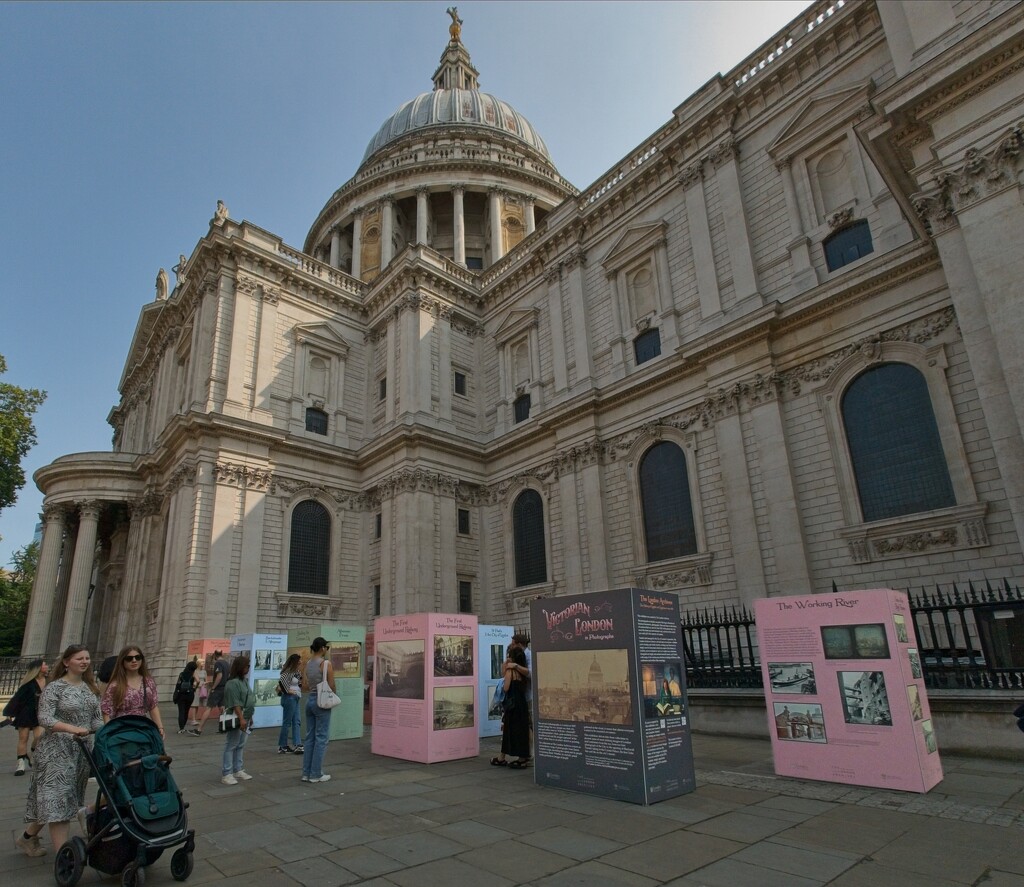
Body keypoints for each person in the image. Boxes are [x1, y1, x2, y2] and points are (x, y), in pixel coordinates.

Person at [16, 645, 103, 859]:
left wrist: (108, 730)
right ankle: (65, 858)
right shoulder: (55, 688)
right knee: (57, 800)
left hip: (80, 752)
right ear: (66, 662)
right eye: (79, 658)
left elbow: (97, 720)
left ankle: (27, 839)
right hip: (55, 751)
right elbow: (45, 718)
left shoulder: (90, 689)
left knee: (59, 800)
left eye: (87, 658)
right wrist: (72, 729)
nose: (84, 661)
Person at [100, 645, 165, 738]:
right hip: (121, 729)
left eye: (138, 657)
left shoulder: (148, 681)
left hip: (143, 727)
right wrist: (110, 732)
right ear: (122, 661)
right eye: (129, 658)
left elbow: (153, 706)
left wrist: (160, 727)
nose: (134, 661)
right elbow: (106, 711)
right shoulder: (115, 685)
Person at [3, 658, 48, 775]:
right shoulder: (29, 684)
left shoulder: (49, 681)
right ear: (39, 668)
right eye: (45, 665)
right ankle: (20, 764)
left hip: (40, 713)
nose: (47, 666)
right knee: (23, 738)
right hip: (26, 713)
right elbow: (18, 699)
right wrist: (10, 713)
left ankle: (32, 752)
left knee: (40, 736)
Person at [301, 637, 335, 783]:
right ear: (322, 648)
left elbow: (305, 685)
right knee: (321, 738)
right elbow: (332, 685)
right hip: (321, 702)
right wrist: (334, 697)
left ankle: (306, 772)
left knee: (310, 737)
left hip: (310, 701)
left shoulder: (308, 663)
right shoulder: (325, 663)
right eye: (326, 647)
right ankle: (316, 774)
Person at [491, 644, 530, 768]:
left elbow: (506, 688)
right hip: (521, 704)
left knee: (508, 731)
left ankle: (502, 757)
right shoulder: (522, 672)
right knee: (522, 730)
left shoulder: (510, 672)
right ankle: (522, 757)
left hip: (512, 706)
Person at [221, 656, 255, 785]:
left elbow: (248, 699)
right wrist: (241, 718)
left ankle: (238, 769)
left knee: (240, 744)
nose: (248, 669)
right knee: (232, 744)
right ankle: (227, 772)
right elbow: (235, 703)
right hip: (237, 717)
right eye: (246, 666)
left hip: (245, 716)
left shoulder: (244, 681)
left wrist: (249, 716)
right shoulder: (233, 683)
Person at [188, 649, 227, 736]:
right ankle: (223, 727)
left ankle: (199, 729)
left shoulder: (218, 663)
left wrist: (213, 687)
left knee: (208, 708)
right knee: (222, 708)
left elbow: (219, 676)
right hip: (224, 688)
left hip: (217, 689)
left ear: (215, 656)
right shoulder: (226, 663)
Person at [277, 653, 303, 754]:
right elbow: (282, 683)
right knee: (287, 722)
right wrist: (289, 691)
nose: (301, 662)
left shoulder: (297, 672)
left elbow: (299, 683)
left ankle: (297, 744)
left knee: (297, 721)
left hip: (295, 697)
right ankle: (282, 745)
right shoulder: (288, 672)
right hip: (290, 698)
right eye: (299, 660)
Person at [172, 661, 199, 733]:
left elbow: (178, 684)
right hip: (190, 694)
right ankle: (183, 726)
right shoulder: (193, 674)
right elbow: (198, 681)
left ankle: (181, 728)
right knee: (186, 711)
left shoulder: (181, 674)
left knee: (181, 711)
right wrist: (194, 688)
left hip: (181, 694)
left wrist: (176, 693)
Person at [188, 659, 208, 727]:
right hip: (196, 688)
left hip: (202, 688)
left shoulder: (204, 671)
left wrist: (205, 684)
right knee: (194, 704)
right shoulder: (195, 671)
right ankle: (193, 719)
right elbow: (192, 680)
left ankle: (195, 719)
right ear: (198, 663)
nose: (203, 663)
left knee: (198, 704)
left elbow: (206, 680)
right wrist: (195, 684)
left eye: (204, 662)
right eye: (202, 662)